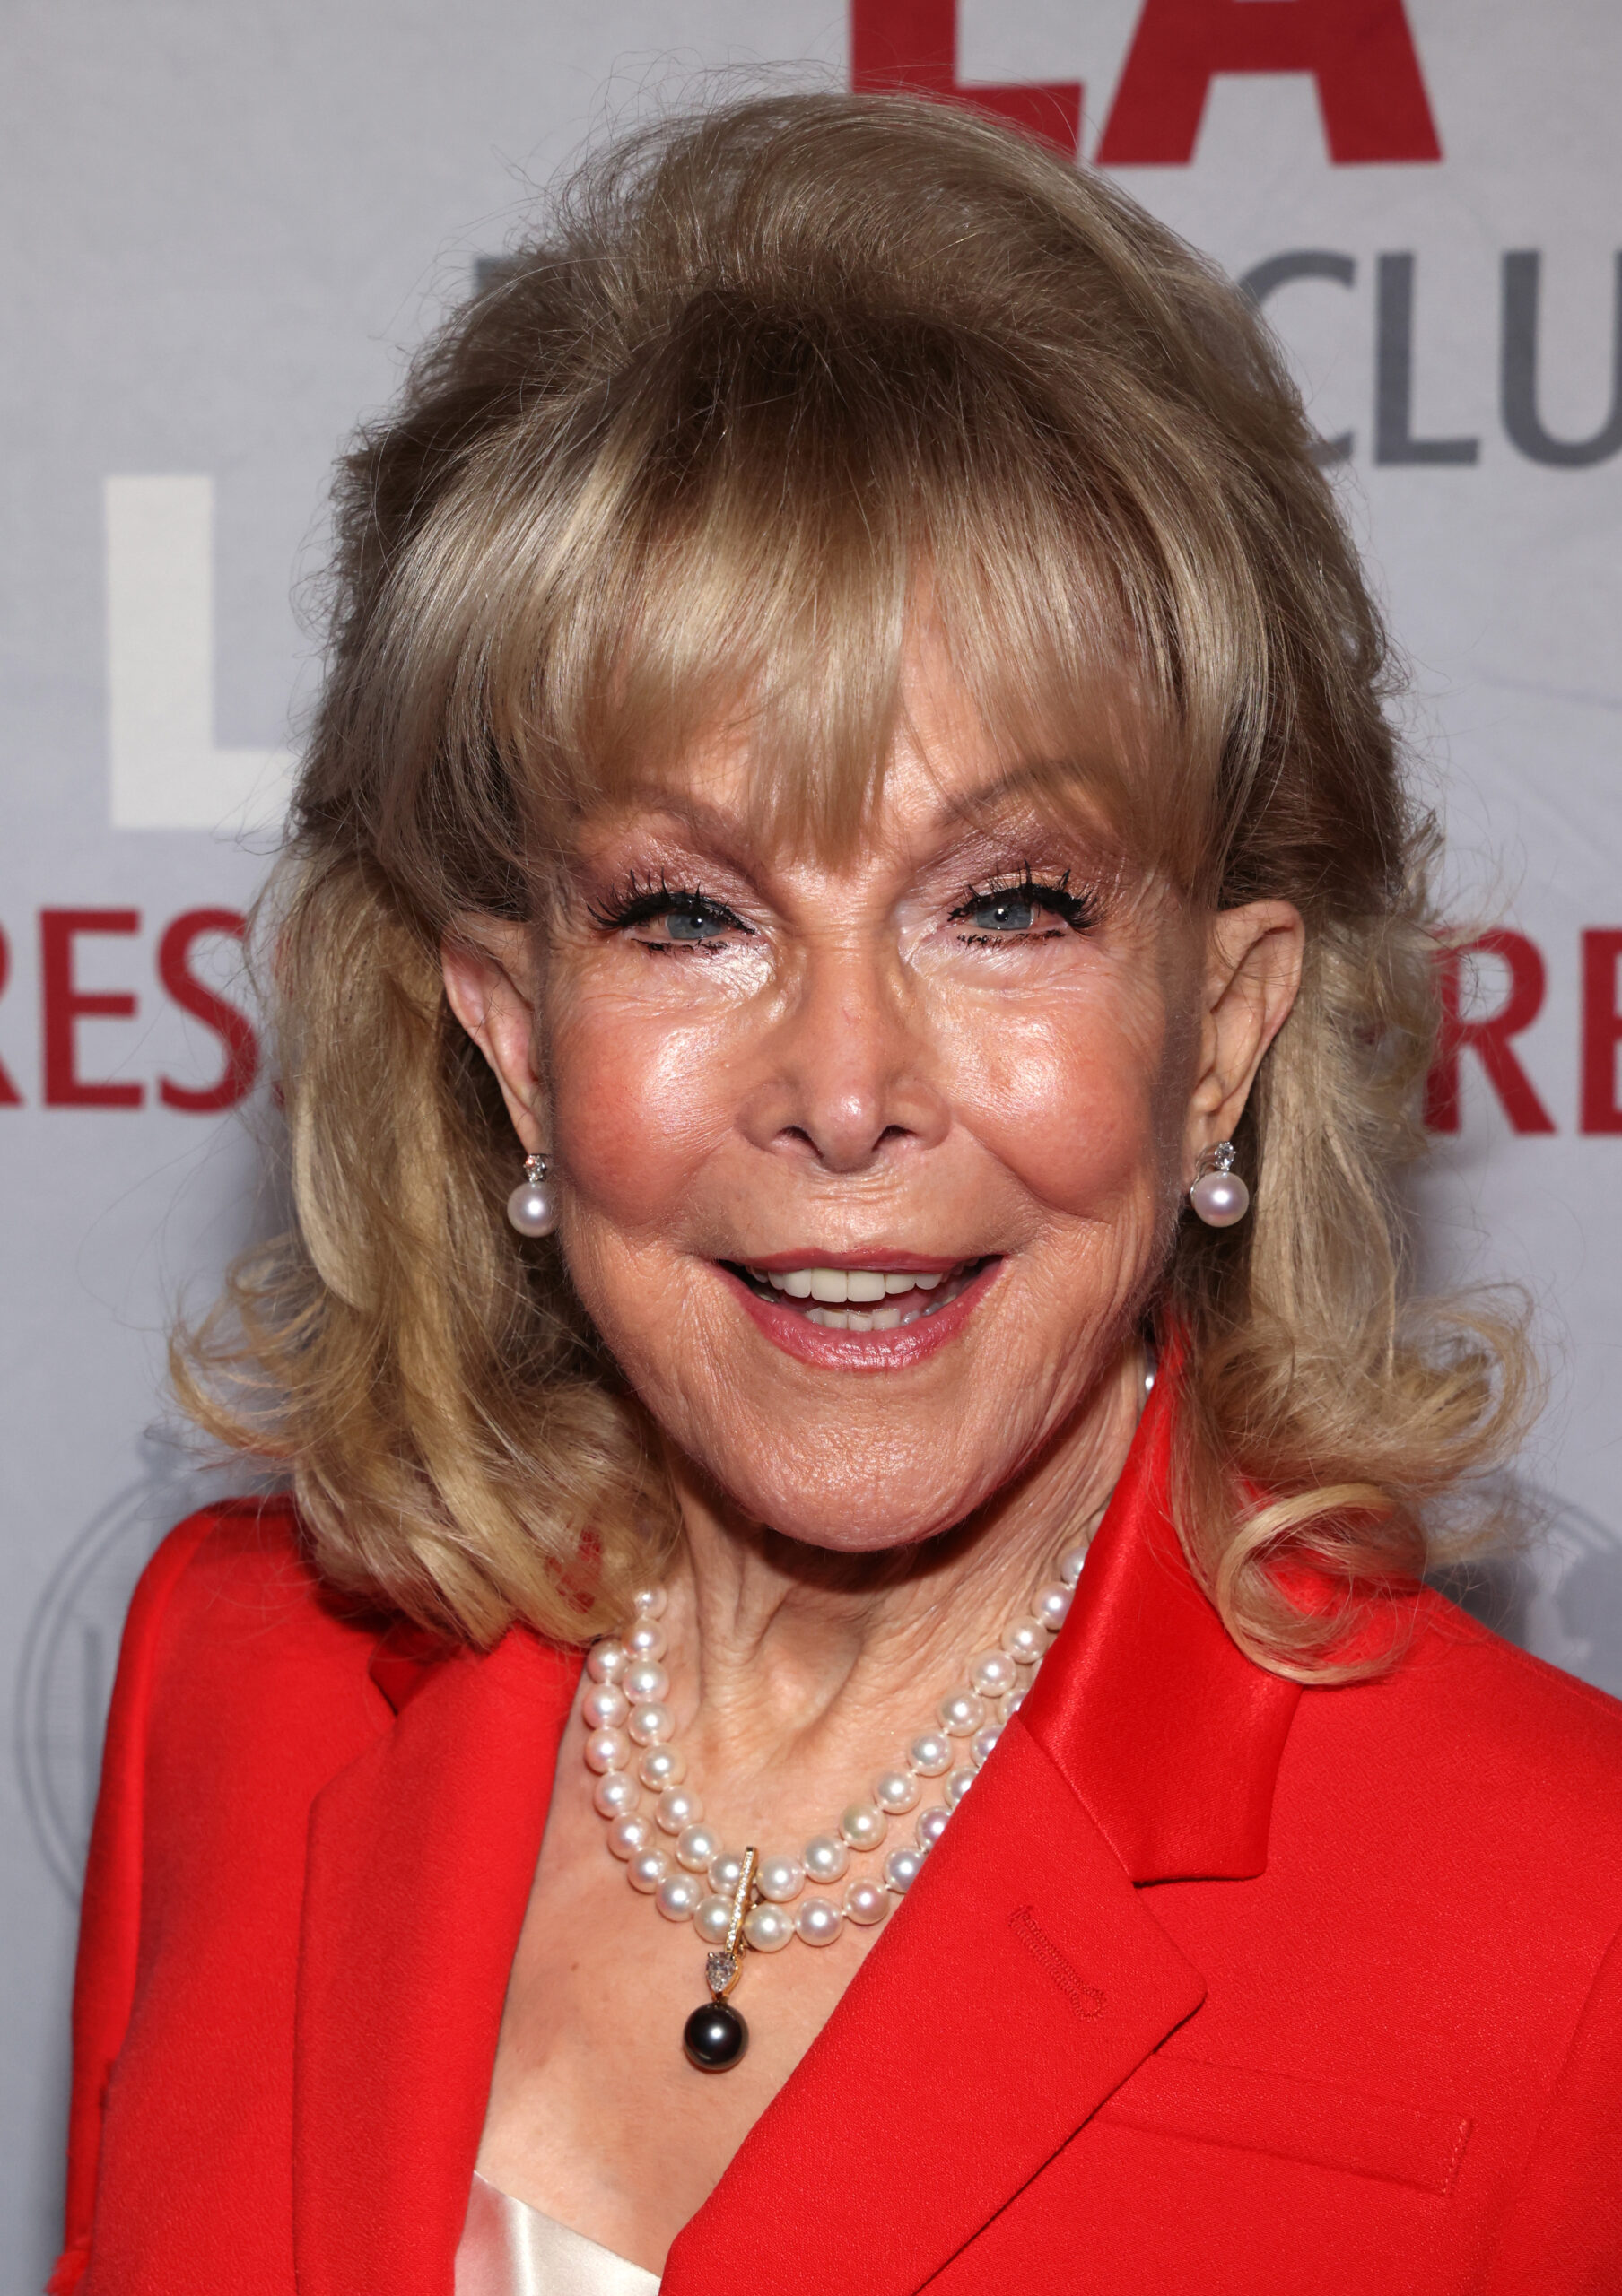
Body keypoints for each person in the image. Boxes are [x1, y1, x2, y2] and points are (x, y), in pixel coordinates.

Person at [52, 92, 1622, 2296]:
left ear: (1229, 1026)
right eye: (690, 911)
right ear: (506, 1029)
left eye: (1009, 903)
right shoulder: (239, 1676)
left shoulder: (1568, 1928)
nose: (848, 1091)